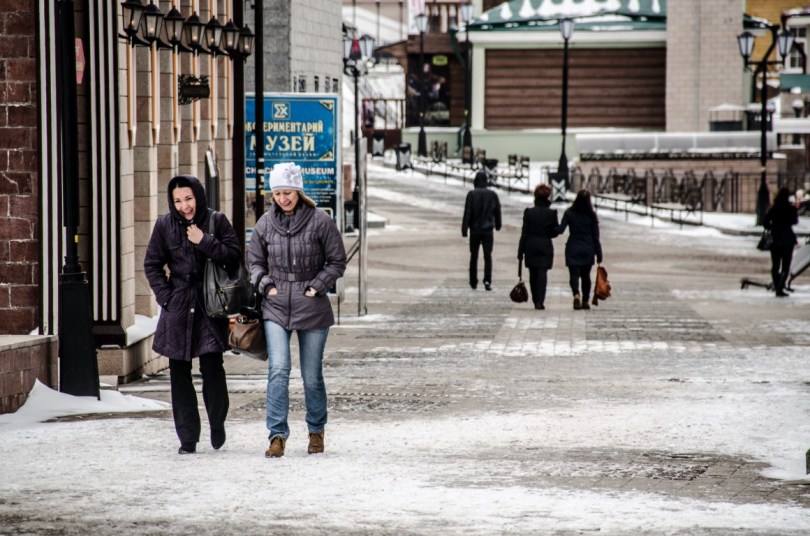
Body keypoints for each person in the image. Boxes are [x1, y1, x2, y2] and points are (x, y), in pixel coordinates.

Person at [247, 162, 347, 458]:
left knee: (311, 375)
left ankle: (316, 430)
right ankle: (277, 435)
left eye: (288, 192)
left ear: (299, 192)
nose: (283, 198)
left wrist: (317, 286)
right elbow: (254, 262)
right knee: (278, 369)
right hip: (275, 304)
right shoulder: (265, 223)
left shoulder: (320, 221)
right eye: (278, 193)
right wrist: (266, 284)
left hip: (311, 305)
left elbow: (337, 261)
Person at [144, 174, 242, 454]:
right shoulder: (164, 225)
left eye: (188, 198)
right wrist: (166, 297)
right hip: (178, 306)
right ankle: (188, 438)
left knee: (212, 368)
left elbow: (234, 257)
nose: (184, 206)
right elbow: (152, 264)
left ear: (198, 196)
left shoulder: (216, 221)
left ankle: (217, 422)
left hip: (210, 305)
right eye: (177, 201)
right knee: (179, 373)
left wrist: (205, 241)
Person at [556, 189, 603, 310]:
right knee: (586, 276)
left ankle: (576, 294)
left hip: (573, 247)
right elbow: (596, 237)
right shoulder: (592, 216)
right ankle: (585, 300)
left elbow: (560, 229)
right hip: (588, 248)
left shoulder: (569, 213)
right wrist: (599, 253)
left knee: (574, 274)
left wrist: (549, 226)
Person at [517, 184, 559, 310]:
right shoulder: (552, 213)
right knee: (542, 273)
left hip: (531, 245)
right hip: (545, 245)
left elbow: (524, 233)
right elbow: (554, 232)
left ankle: (535, 298)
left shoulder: (529, 212)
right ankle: (539, 301)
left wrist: (520, 251)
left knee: (533, 273)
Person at [462, 170, 502, 291]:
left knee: (474, 256)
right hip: (488, 230)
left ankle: (473, 281)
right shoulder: (492, 194)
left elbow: (468, 212)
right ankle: (487, 280)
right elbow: (497, 211)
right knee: (487, 256)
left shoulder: (471, 194)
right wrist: (498, 225)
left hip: (475, 230)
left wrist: (464, 229)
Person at [763, 186, 799, 297]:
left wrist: (772, 227)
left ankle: (777, 285)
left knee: (775, 265)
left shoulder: (774, 208)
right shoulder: (790, 208)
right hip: (787, 239)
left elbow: (765, 221)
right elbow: (794, 221)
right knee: (785, 266)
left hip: (775, 240)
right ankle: (780, 287)